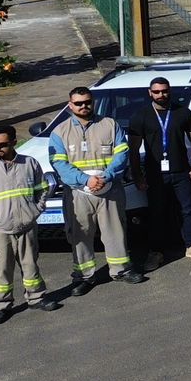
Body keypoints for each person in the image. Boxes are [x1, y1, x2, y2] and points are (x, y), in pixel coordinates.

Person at [51, 86, 145, 290]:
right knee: (79, 234)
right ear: (70, 105)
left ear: (92, 102)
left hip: (109, 189)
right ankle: (83, 277)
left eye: (87, 102)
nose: (83, 106)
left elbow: (122, 154)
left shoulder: (110, 125)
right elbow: (59, 164)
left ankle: (121, 270)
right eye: (78, 103)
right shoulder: (60, 132)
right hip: (78, 193)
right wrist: (85, 180)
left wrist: (107, 176)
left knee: (115, 231)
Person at [0, 126, 58, 325]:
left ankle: (36, 298)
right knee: (2, 268)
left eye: (2, 144)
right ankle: (1, 306)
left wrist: (36, 210)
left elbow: (42, 189)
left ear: (13, 142)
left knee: (30, 265)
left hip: (26, 226)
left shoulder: (30, 164)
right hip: (0, 229)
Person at [127, 78, 191, 262]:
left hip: (181, 171)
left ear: (169, 91)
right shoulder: (141, 116)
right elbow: (133, 148)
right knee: (157, 212)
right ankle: (156, 252)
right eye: (156, 92)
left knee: (188, 209)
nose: (161, 95)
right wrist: (138, 175)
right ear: (150, 93)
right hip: (155, 173)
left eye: (164, 91)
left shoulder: (182, 113)